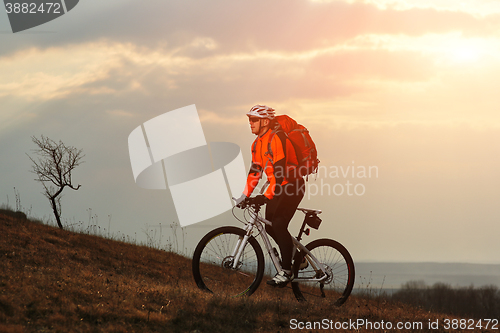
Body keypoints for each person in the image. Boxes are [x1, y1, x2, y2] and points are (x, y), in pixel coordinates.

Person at [234, 105, 305, 287]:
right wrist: (244, 195)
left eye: (254, 120)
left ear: (265, 121)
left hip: (292, 186)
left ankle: (287, 271)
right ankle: (297, 258)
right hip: (277, 187)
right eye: (249, 119)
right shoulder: (257, 144)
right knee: (271, 227)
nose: (250, 123)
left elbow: (279, 172)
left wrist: (265, 196)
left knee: (279, 223)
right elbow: (255, 172)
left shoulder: (277, 138)